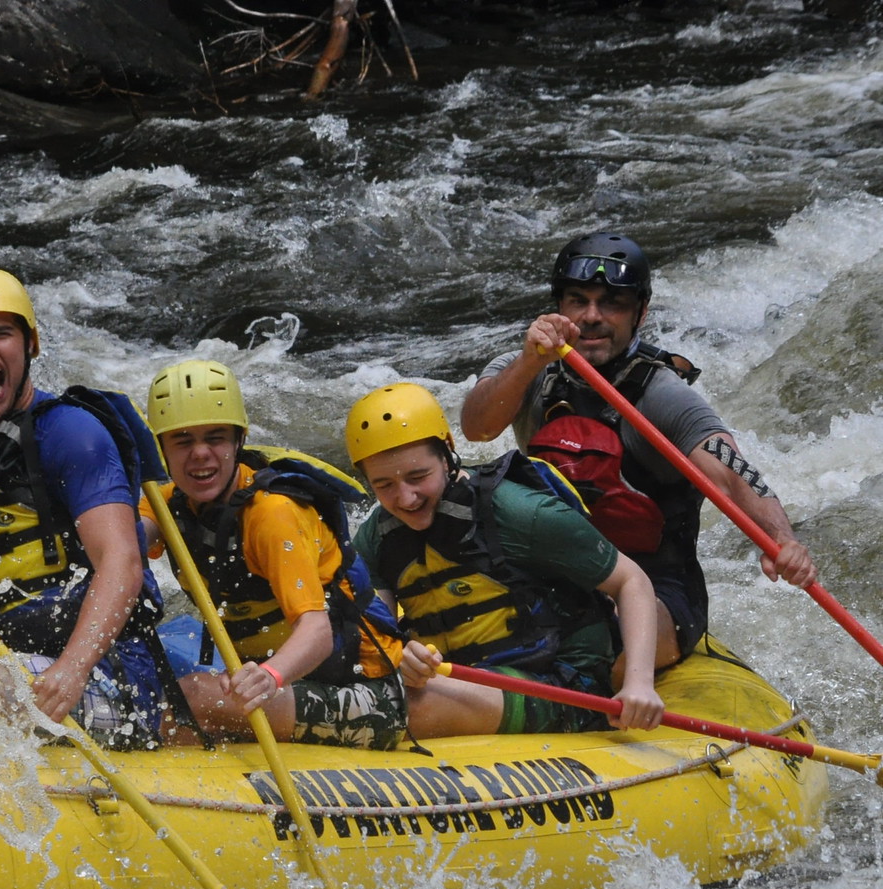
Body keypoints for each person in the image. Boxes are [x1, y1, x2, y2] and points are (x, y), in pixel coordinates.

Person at [459, 231, 816, 668]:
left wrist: (783, 540)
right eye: (578, 301)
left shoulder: (661, 394)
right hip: (551, 572)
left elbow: (731, 470)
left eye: (612, 303)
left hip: (655, 587)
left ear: (639, 314)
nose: (592, 317)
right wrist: (531, 361)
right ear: (558, 306)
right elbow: (477, 428)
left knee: (604, 647)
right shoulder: (527, 369)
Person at [0, 267, 166, 747]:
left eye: (0, 332)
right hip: (9, 661)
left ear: (30, 344)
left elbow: (120, 560)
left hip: (106, 679)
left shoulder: (71, 433)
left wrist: (73, 668)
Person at [348, 382, 663, 739]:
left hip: (561, 686)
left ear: (448, 452)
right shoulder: (378, 535)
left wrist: (639, 684)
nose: (405, 498)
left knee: (402, 706)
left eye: (418, 476)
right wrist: (399, 656)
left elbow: (631, 580)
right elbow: (375, 631)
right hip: (465, 681)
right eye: (384, 485)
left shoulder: (520, 513)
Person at [142, 359, 408, 750]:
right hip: (289, 684)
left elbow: (316, 632)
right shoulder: (165, 503)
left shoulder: (271, 513)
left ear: (239, 440)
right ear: (161, 448)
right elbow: (121, 545)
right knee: (152, 699)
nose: (200, 453)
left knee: (191, 698)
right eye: (182, 440)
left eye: (215, 438)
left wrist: (269, 677)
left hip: (364, 690)